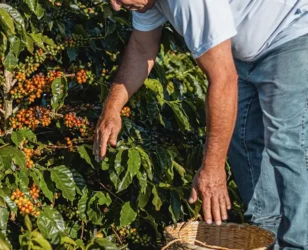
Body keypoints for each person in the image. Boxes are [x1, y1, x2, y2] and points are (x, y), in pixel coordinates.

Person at [92, 0, 308, 249]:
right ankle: (264, 236)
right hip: (242, 54)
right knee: (243, 142)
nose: (116, 6)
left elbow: (224, 78)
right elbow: (141, 47)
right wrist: (112, 107)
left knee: (287, 142)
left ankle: (298, 243)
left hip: (290, 31)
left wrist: (213, 170)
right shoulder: (144, 3)